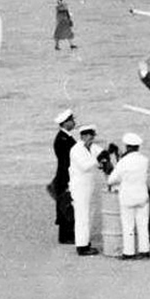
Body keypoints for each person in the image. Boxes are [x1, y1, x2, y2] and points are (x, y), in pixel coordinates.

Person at [106, 132, 150, 260]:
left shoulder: (123, 162)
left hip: (128, 197)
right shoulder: (144, 160)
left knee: (128, 226)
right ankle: (144, 250)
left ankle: (129, 252)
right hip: (142, 196)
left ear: (127, 146)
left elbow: (111, 180)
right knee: (143, 224)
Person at [68, 124, 102, 256]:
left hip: (90, 186)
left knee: (90, 214)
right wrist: (98, 160)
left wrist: (107, 153)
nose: (91, 139)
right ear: (82, 136)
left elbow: (100, 152)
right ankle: (82, 246)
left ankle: (86, 241)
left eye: (92, 136)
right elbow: (85, 166)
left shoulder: (92, 147)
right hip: (79, 187)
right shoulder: (76, 150)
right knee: (82, 215)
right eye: (88, 136)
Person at [47, 109, 78, 244]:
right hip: (65, 176)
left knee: (66, 204)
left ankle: (68, 234)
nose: (74, 122)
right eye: (71, 120)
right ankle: (66, 236)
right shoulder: (62, 139)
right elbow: (66, 161)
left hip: (65, 175)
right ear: (65, 123)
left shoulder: (66, 137)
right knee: (65, 205)